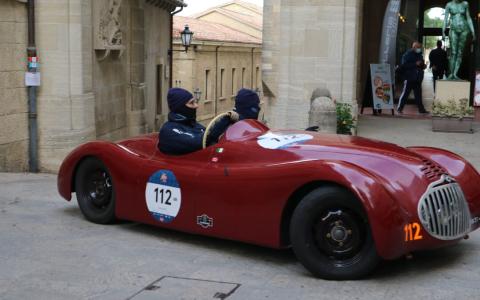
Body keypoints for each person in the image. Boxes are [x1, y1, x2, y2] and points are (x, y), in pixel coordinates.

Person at [158, 88, 205, 155]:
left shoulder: (193, 124)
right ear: (180, 107)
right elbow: (199, 142)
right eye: (191, 103)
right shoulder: (168, 130)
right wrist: (222, 122)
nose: (196, 106)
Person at [443, 0, 476, 80]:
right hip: (454, 29)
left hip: (464, 29)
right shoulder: (449, 5)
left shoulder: (465, 4)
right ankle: (451, 74)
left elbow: (468, 18)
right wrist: (443, 31)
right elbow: (445, 19)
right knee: (453, 52)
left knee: (460, 53)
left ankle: (455, 74)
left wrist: (473, 31)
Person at [397, 41, 428, 114]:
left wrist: (423, 66)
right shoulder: (407, 54)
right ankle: (400, 108)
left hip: (417, 78)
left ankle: (421, 109)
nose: (419, 49)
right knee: (405, 94)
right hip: (409, 77)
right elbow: (404, 65)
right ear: (413, 47)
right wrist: (415, 64)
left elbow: (420, 65)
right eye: (418, 47)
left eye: (420, 47)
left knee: (418, 95)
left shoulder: (419, 55)